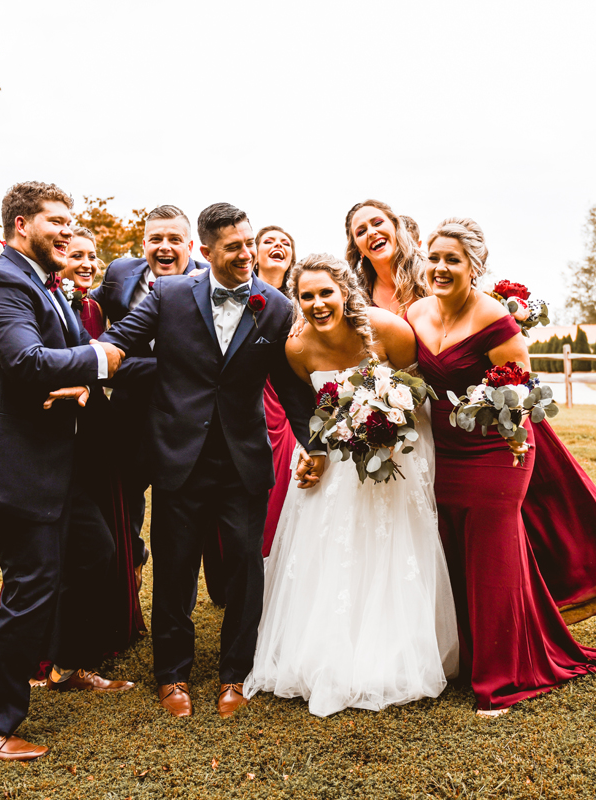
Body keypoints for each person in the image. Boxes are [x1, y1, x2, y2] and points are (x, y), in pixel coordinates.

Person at [345, 199, 596, 621]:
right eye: (360, 230)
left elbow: (475, 312)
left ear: (398, 228)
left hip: (487, 406)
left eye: (377, 222)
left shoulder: (427, 268)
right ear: (355, 246)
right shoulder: (362, 294)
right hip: (428, 415)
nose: (371, 232)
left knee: (557, 489)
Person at [100, 202, 320, 720]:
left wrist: (318, 443)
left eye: (249, 243)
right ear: (206, 252)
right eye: (234, 248)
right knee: (175, 571)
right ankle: (172, 675)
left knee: (246, 568)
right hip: (179, 458)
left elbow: (292, 391)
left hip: (244, 459)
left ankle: (235, 674)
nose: (247, 254)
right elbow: (120, 341)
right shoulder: (169, 295)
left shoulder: (276, 305)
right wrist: (79, 370)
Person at [408, 218, 596, 716]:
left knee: (491, 559)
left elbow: (520, 398)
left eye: (451, 260)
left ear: (474, 267)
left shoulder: (496, 322)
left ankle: (500, 681)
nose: (439, 268)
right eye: (433, 258)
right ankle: (469, 660)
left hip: (496, 454)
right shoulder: (415, 313)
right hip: (442, 455)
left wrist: (495, 419)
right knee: (453, 556)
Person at [244, 253, 458, 717]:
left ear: (345, 292)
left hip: (395, 456)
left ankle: (394, 652)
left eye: (326, 293)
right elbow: (309, 412)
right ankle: (322, 653)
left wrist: (386, 423)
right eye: (307, 296)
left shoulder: (389, 330)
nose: (318, 303)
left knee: (391, 546)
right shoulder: (297, 348)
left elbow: (417, 394)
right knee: (331, 548)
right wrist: (319, 451)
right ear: (297, 301)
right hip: (337, 459)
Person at [0, 182, 129, 761]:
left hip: (58, 463)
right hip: (16, 464)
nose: (67, 230)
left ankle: (69, 664)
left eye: (70, 220)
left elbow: (59, 357)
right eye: (56, 220)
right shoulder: (1, 281)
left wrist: (79, 382)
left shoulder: (46, 283)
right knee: (31, 585)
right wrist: (98, 361)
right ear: (21, 223)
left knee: (93, 552)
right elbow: (27, 362)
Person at [88, 205, 209, 590]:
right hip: (129, 413)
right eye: (156, 239)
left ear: (190, 245)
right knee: (122, 505)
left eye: (174, 239)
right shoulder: (120, 274)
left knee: (181, 517)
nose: (165, 247)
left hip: (190, 419)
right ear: (143, 244)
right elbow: (86, 309)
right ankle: (130, 569)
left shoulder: (212, 282)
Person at [57, 225, 147, 656]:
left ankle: (114, 627)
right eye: (77, 255)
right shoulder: (51, 303)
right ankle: (62, 646)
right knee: (83, 540)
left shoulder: (96, 305)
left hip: (102, 428)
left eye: (93, 256)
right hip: (63, 432)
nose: (88, 263)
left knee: (115, 527)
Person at [252, 225, 300, 557]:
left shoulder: (301, 303)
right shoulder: (239, 294)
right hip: (249, 393)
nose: (278, 245)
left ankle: (275, 560)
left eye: (285, 243)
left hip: (284, 400)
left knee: (285, 483)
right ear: (253, 252)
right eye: (269, 241)